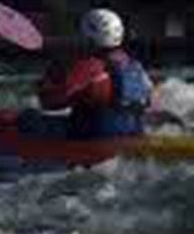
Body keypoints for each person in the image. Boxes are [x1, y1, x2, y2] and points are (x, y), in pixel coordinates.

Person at [17, 8, 154, 139]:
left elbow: (50, 102)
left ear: (89, 38)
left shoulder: (88, 67)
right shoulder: (135, 66)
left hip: (94, 136)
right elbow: (146, 100)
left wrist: (52, 74)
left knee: (27, 118)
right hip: (133, 132)